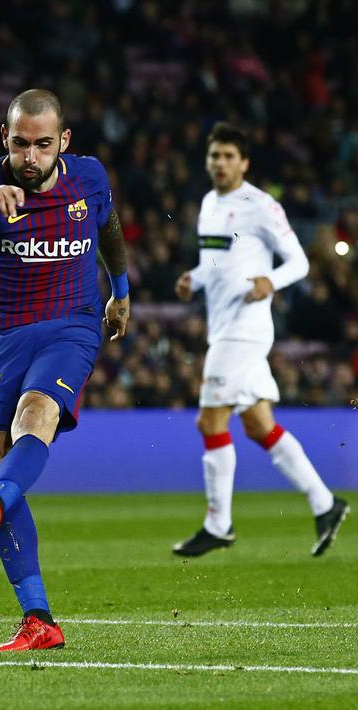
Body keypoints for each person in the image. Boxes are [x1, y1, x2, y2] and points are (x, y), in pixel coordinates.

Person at [0, 90, 130, 652]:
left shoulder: (90, 178)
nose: (30, 157)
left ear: (64, 142)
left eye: (43, 145)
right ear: (5, 138)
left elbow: (110, 228)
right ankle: (39, 620)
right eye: (20, 143)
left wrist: (120, 291)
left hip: (70, 324)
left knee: (38, 413)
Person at [171, 122, 348, 558]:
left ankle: (219, 524)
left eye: (229, 156)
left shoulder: (260, 205)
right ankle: (326, 503)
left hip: (245, 330)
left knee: (209, 422)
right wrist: (193, 279)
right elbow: (217, 262)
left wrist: (271, 280)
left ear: (244, 163)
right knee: (258, 424)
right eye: (215, 156)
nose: (221, 163)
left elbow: (300, 262)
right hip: (225, 327)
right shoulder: (210, 203)